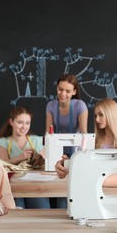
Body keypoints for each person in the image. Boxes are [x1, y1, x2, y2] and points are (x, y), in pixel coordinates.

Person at [55, 98, 117, 188]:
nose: (97, 119)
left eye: (101, 115)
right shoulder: (93, 140)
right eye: (96, 115)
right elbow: (79, 159)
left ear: (111, 115)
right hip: (97, 189)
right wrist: (65, 164)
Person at [46, 74, 88, 208]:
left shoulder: (80, 106)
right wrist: (47, 150)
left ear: (74, 92)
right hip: (58, 152)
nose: (63, 94)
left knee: (73, 189)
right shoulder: (51, 106)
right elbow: (48, 132)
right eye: (60, 89)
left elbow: (84, 134)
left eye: (68, 91)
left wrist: (81, 155)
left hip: (76, 151)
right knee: (59, 189)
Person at [0, 106, 50, 209]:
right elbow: (2, 163)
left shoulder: (37, 141)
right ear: (11, 122)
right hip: (13, 187)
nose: (24, 127)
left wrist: (39, 158)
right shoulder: (3, 142)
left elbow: (44, 163)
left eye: (27, 123)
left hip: (34, 186)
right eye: (20, 122)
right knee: (18, 210)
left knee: (42, 210)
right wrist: (20, 157)